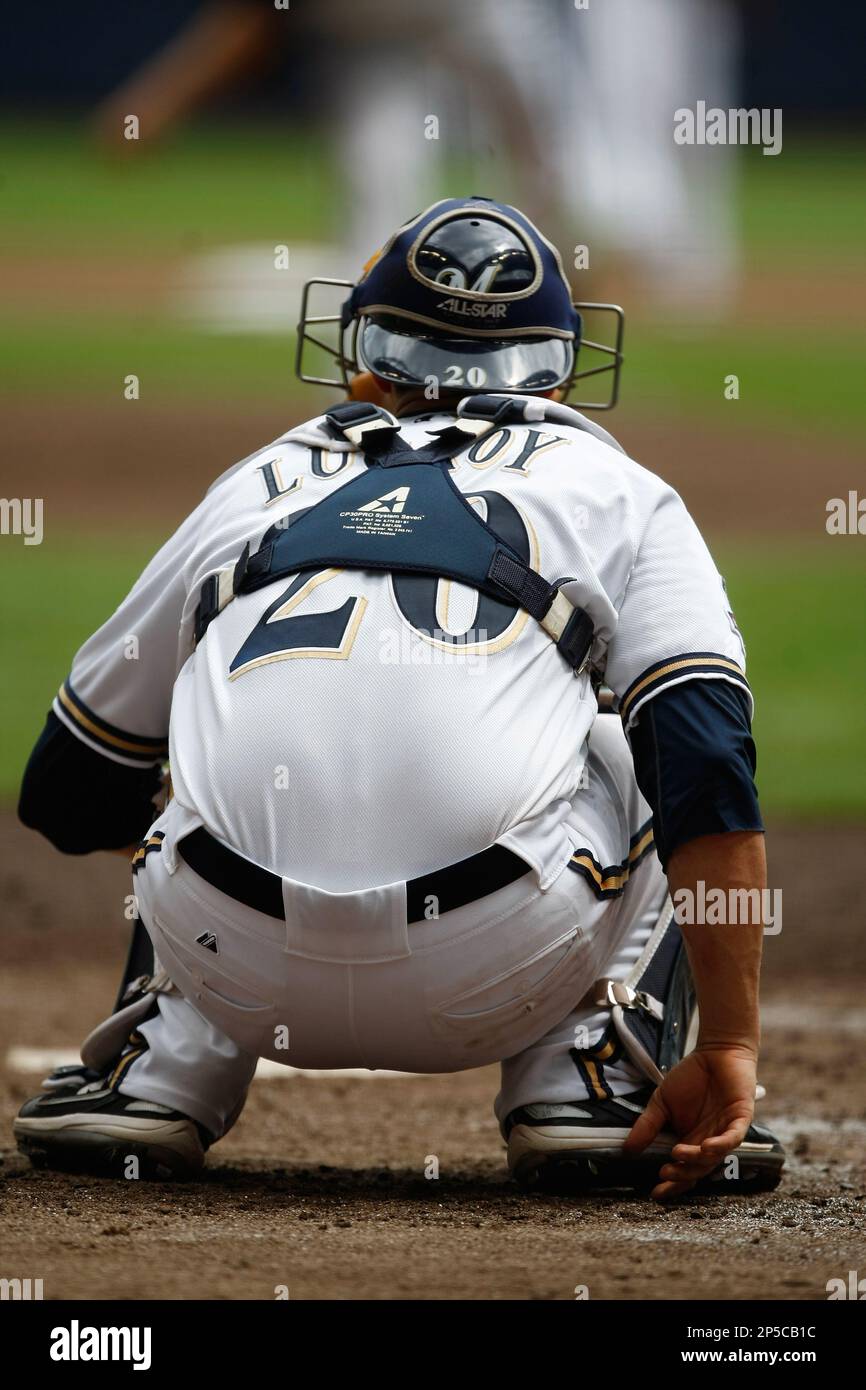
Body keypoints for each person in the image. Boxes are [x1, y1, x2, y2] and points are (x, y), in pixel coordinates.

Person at [15, 198, 783, 1200]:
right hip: (502, 957)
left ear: (363, 357)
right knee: (636, 734)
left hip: (229, 958)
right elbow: (708, 763)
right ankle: (583, 1074)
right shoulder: (616, 488)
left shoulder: (259, 480)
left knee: (202, 752)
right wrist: (727, 1039)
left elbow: (68, 786)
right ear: (556, 367)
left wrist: (247, 857)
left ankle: (155, 1068)